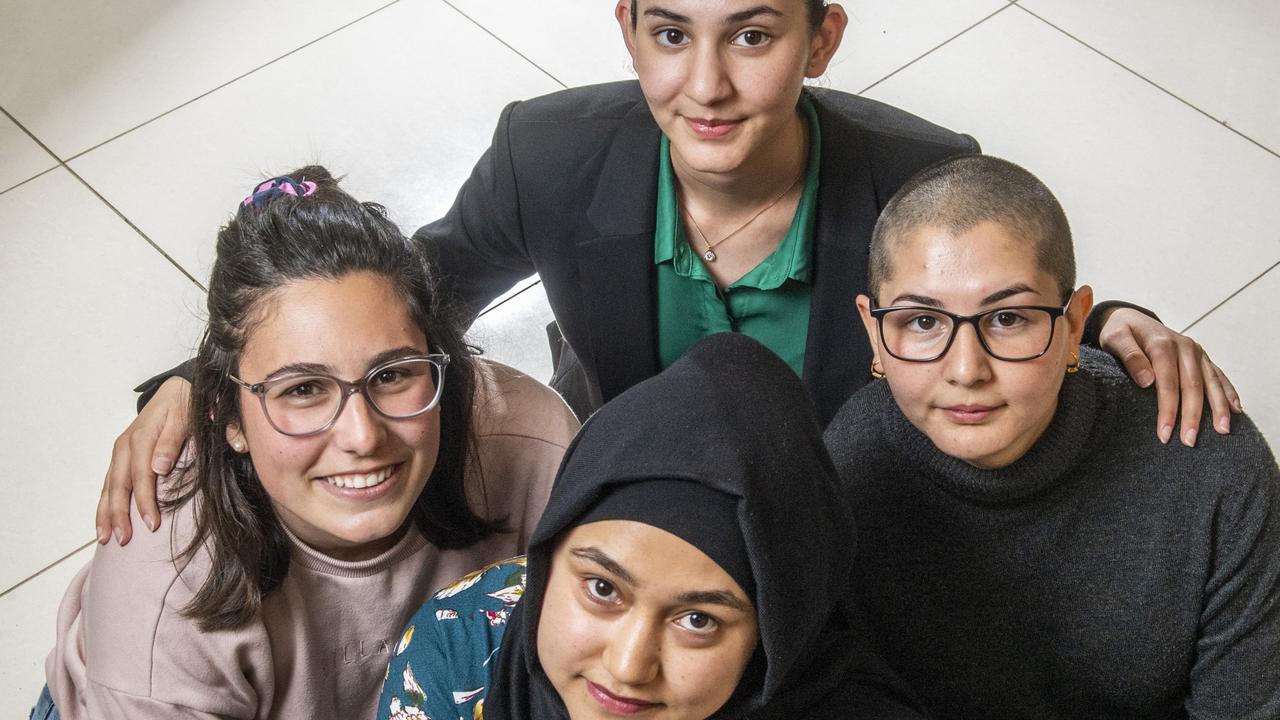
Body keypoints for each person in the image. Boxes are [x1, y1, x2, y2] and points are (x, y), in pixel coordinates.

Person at [97, 0, 1239, 545]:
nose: (704, 87)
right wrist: (198, 379)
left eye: (751, 36)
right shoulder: (548, 155)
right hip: (634, 468)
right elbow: (405, 286)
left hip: (840, 498)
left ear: (820, 40)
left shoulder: (918, 170)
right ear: (627, 29)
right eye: (668, 33)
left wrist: (1119, 324)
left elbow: (988, 299)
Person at [34, 168, 579, 720]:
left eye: (391, 375)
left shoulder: (533, 442)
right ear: (230, 418)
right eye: (303, 390)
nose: (362, 437)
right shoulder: (163, 589)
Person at [825, 155, 1280, 717]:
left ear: (1073, 326)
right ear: (874, 331)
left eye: (1009, 319)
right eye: (923, 322)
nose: (966, 369)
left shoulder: (1212, 467)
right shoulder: (843, 473)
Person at [378, 332, 927, 720]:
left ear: (777, 636)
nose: (628, 666)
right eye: (601, 589)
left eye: (698, 620)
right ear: (550, 554)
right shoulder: (460, 645)